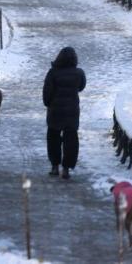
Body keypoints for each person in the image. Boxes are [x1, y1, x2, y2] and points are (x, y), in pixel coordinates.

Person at [42, 47, 86, 179]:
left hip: (55, 111)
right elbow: (81, 87)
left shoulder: (53, 73)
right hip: (72, 111)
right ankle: (66, 168)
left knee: (53, 138)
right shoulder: (79, 73)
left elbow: (47, 93)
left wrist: (48, 103)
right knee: (71, 140)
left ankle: (55, 166)